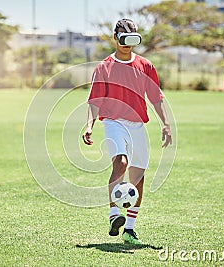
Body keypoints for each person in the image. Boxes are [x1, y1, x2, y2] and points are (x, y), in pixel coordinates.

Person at [82, 18, 172, 245]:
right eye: (123, 38)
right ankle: (114, 215)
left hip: (137, 125)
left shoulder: (146, 66)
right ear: (116, 38)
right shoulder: (104, 67)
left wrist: (166, 124)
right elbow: (95, 99)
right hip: (113, 122)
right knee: (120, 162)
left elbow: (156, 98)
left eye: (132, 39)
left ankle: (129, 229)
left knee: (138, 176)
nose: (127, 44)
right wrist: (90, 124)